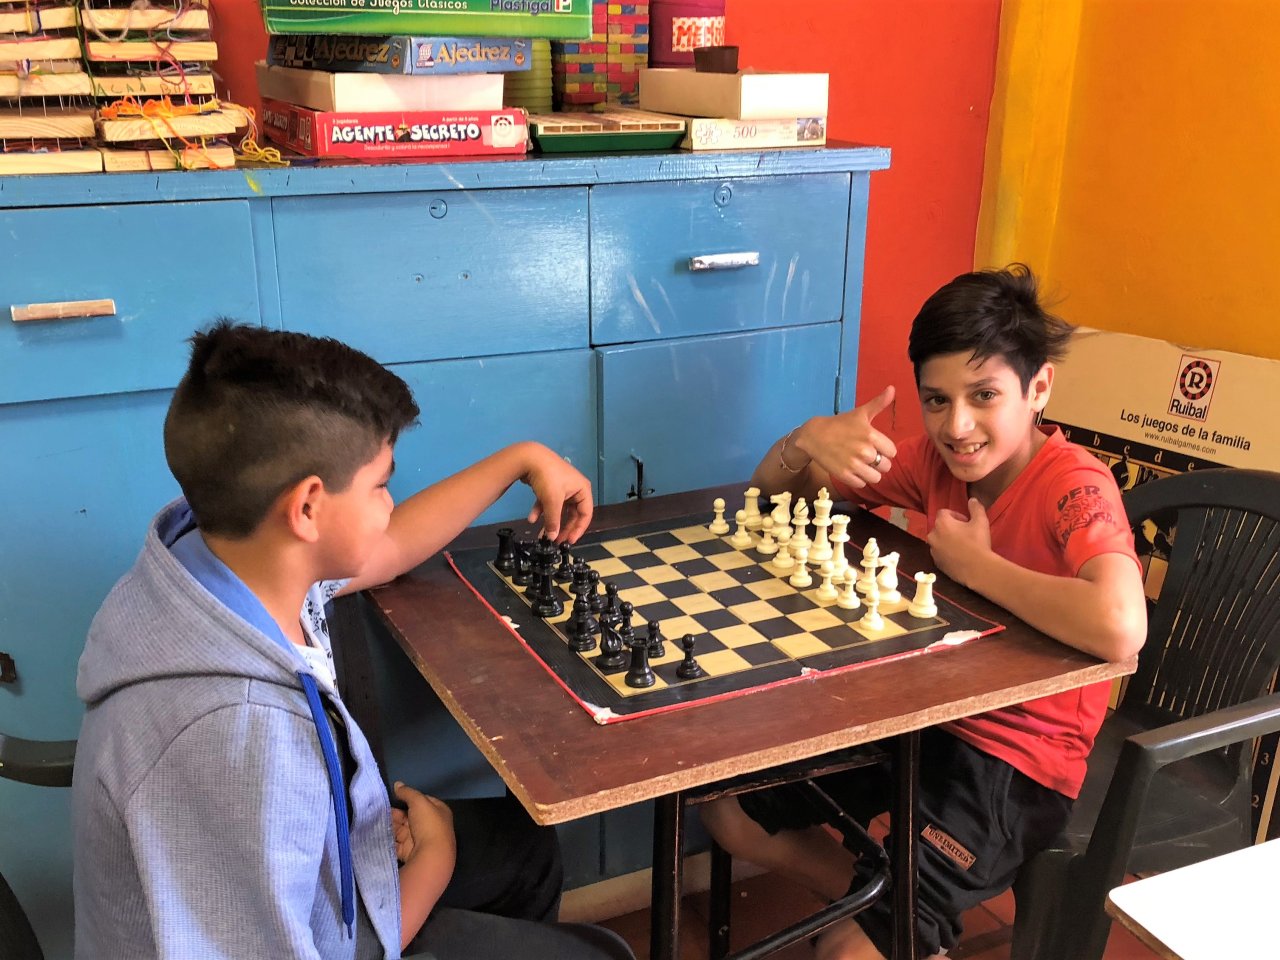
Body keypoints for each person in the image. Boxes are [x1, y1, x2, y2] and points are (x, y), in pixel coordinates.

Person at [71, 321, 634, 960]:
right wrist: (435, 862)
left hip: (320, 882)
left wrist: (519, 459)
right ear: (308, 508)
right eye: (380, 485)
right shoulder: (239, 735)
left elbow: (387, 550)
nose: (390, 504)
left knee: (524, 849)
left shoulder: (225, 564)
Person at [699, 264, 1148, 960]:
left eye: (984, 396)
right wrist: (806, 441)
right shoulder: (936, 464)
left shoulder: (1073, 485)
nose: (957, 426)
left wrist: (979, 568)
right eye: (936, 400)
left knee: (845, 953)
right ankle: (889, 909)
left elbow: (1122, 625)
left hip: (1013, 762)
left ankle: (885, 921)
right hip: (921, 717)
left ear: (1039, 389)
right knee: (730, 808)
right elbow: (772, 503)